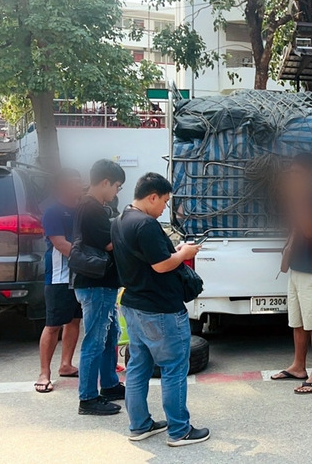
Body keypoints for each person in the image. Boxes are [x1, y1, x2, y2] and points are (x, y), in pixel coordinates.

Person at [112, 172, 209, 446]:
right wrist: (184, 254)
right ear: (152, 197)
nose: (165, 207)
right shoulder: (146, 224)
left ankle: (139, 425)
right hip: (161, 309)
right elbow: (162, 265)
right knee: (174, 368)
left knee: (138, 367)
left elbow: (150, 257)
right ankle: (180, 430)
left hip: (133, 305)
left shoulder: (120, 220)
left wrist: (175, 250)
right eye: (165, 201)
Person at [271, 153, 312, 394]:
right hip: (297, 266)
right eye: (291, 173)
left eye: (297, 173)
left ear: (311, 174)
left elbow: (310, 230)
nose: (293, 177)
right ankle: (299, 366)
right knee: (297, 321)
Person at [74, 159, 126, 416]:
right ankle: (88, 397)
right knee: (95, 340)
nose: (116, 192)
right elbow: (108, 243)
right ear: (105, 182)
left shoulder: (94, 206)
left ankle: (109, 384)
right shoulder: (91, 207)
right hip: (96, 285)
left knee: (110, 335)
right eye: (117, 186)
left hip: (102, 284)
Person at [35, 169, 84, 394]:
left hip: (80, 275)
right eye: (72, 183)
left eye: (79, 182)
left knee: (74, 320)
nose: (78, 186)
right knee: (53, 324)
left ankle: (66, 365)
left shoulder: (82, 209)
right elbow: (60, 244)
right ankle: (44, 373)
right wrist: (89, 259)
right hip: (59, 276)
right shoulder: (53, 211)